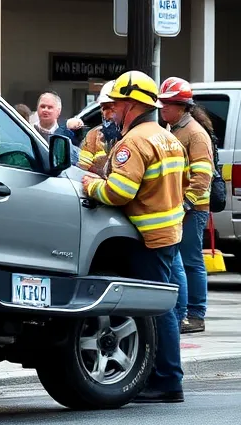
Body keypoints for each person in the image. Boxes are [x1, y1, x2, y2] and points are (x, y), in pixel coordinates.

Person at [80, 70, 186, 403]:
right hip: (168, 232)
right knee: (160, 308)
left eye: (116, 104)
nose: (111, 111)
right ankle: (165, 377)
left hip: (148, 236)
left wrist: (91, 186)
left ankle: (168, 380)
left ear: (131, 105)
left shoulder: (135, 141)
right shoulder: (167, 137)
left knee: (156, 311)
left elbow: (120, 192)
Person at [158, 77, 214, 335]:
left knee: (191, 262)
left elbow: (203, 175)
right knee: (183, 261)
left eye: (167, 104)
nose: (162, 109)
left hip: (192, 209)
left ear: (182, 106)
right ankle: (185, 313)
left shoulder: (194, 134)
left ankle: (196, 314)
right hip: (180, 207)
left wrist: (187, 203)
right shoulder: (175, 129)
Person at [76, 81, 121, 175]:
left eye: (111, 107)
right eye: (103, 107)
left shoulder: (131, 136)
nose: (107, 113)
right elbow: (82, 168)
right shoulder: (93, 136)